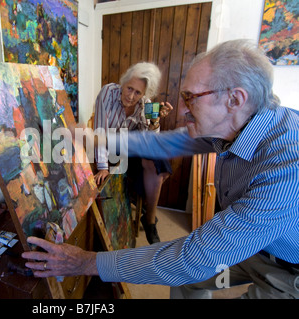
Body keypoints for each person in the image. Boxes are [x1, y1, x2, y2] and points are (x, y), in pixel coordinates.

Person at [22, 39, 299, 299]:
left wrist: (86, 262)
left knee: (189, 269)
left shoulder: (286, 167)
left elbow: (192, 258)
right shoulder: (239, 121)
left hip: (287, 273)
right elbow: (165, 144)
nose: (181, 110)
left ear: (235, 100)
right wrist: (96, 138)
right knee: (188, 281)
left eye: (191, 97)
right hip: (255, 251)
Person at [93, 62, 173, 244]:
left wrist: (155, 122)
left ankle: (150, 220)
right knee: (153, 173)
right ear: (123, 82)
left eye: (138, 93)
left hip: (131, 151)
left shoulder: (144, 105)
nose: (131, 96)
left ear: (144, 94)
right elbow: (99, 132)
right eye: (129, 88)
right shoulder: (107, 94)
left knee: (157, 163)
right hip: (109, 146)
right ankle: (145, 207)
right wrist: (103, 167)